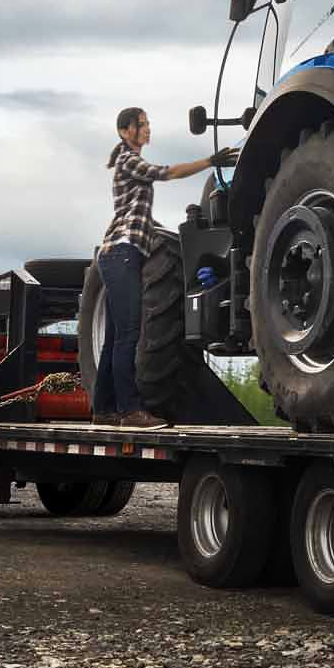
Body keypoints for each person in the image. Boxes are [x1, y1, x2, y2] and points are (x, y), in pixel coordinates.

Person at [93, 106, 233, 428]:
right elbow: (167, 173)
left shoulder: (128, 163)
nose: (147, 129)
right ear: (125, 131)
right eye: (141, 125)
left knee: (116, 334)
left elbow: (136, 212)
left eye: (147, 124)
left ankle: (103, 409)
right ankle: (130, 410)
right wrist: (209, 163)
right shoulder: (130, 161)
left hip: (122, 253)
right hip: (121, 253)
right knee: (129, 334)